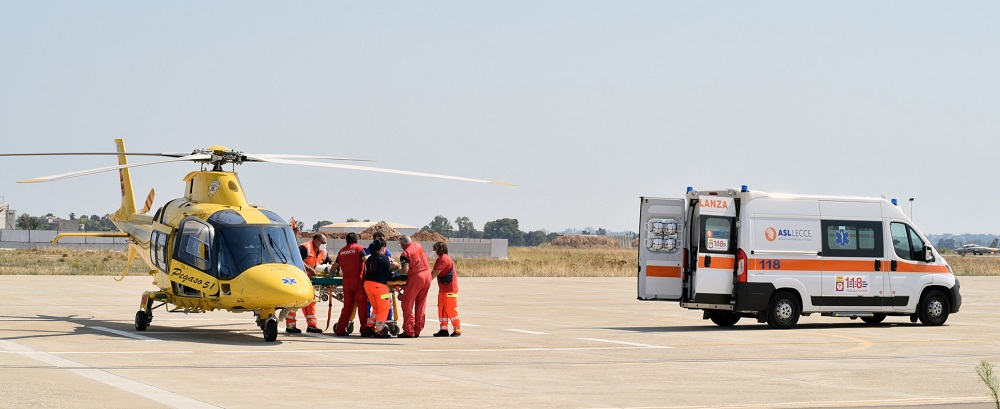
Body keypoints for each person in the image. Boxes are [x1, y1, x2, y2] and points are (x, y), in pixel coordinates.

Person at [286, 233, 330, 334]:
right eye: (323, 242)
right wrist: (310, 269)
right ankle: (290, 325)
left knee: (311, 302)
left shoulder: (323, 251)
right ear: (316, 241)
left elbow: (328, 262)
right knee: (295, 301)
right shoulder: (305, 247)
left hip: (311, 280)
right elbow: (297, 261)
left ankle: (312, 325)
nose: (324, 245)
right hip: (299, 278)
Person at [332, 232, 367, 337]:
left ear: (346, 241)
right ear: (356, 239)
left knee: (347, 306)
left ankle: (340, 329)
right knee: (362, 306)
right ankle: (364, 329)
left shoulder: (341, 251)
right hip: (358, 280)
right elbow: (366, 261)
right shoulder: (360, 249)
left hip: (346, 282)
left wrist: (329, 273)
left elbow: (334, 267)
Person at [397, 235, 431, 338]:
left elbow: (405, 270)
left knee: (407, 304)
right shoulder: (418, 245)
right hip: (427, 276)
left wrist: (397, 269)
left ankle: (409, 330)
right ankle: (417, 330)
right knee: (421, 304)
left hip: (416, 278)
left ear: (403, 244)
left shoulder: (405, 253)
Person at [362, 239, 393, 338]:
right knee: (384, 307)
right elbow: (388, 274)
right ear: (382, 247)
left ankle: (369, 327)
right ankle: (379, 330)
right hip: (380, 287)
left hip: (368, 285)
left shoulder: (369, 259)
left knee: (376, 308)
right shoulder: (384, 258)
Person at [430, 242, 461, 337]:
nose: (434, 251)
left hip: (450, 289)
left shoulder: (444, 259)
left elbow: (435, 273)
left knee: (450, 309)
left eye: (435, 249)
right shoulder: (439, 259)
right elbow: (433, 272)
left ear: (439, 249)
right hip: (443, 289)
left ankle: (457, 329)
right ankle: (444, 329)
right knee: (442, 309)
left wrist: (426, 282)